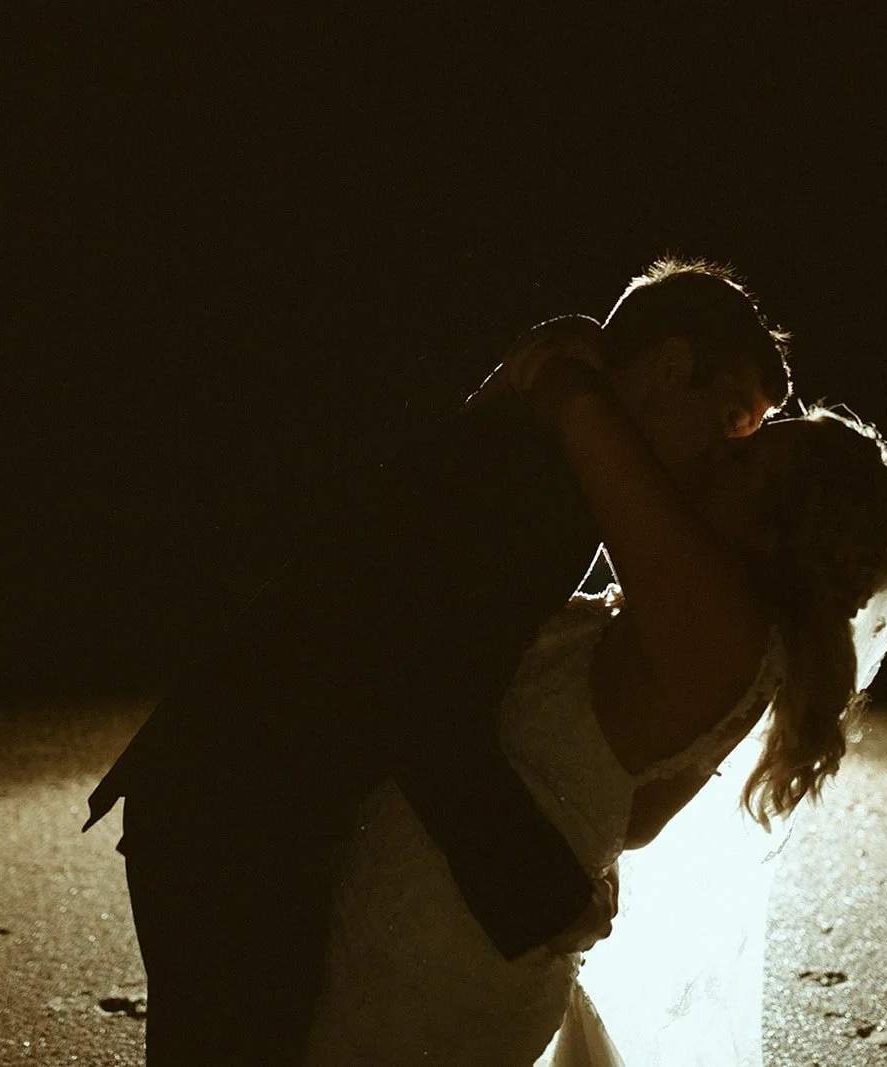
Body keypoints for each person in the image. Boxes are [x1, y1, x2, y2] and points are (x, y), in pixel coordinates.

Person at [83, 258, 792, 1065]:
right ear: (672, 367)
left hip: (243, 794)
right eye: (732, 419)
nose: (719, 453)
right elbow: (423, 704)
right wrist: (542, 896)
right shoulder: (534, 480)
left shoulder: (542, 450)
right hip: (240, 805)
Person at [301, 323, 887, 1065]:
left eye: (748, 458)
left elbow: (582, 413)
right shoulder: (748, 648)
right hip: (473, 941)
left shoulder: (715, 616)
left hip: (435, 956)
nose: (721, 454)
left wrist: (588, 350)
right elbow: (634, 821)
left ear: (776, 527)